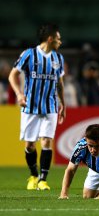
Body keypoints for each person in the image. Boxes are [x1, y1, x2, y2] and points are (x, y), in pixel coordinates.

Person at [8, 23, 66, 190]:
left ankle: (43, 180)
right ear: (50, 39)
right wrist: (19, 93)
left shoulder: (58, 58)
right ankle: (33, 175)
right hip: (30, 106)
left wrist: (63, 103)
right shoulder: (29, 55)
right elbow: (13, 76)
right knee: (30, 145)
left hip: (50, 106)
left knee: (47, 142)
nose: (60, 42)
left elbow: (60, 84)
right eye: (58, 39)